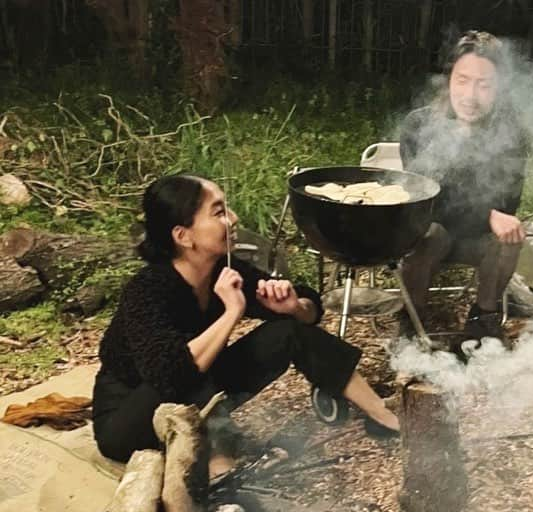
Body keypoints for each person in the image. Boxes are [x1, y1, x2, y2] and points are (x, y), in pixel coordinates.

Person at [93, 174, 400, 472]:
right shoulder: (146, 289)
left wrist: (295, 307)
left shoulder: (222, 269)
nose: (234, 218)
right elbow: (170, 375)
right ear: (183, 236)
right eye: (219, 212)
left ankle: (381, 413)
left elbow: (308, 303)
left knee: (290, 331)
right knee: (196, 382)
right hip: (131, 417)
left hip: (201, 387)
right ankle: (222, 471)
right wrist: (231, 313)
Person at [398, 30, 528, 341]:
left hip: (475, 239)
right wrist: (458, 145)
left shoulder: (510, 135)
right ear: (448, 80)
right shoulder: (419, 125)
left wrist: (493, 217)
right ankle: (411, 321)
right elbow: (421, 198)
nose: (470, 95)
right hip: (429, 233)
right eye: (463, 80)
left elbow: (506, 205)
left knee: (509, 237)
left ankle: (483, 320)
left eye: (484, 85)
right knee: (432, 235)